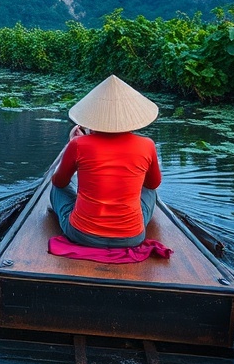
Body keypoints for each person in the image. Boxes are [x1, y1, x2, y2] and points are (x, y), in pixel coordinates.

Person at [50, 74, 162, 249]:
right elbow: (153, 184)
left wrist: (72, 143)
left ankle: (66, 213)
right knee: (150, 192)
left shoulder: (78, 145)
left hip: (82, 235)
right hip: (132, 237)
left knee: (56, 190)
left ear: (94, 117)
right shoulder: (147, 145)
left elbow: (59, 182)